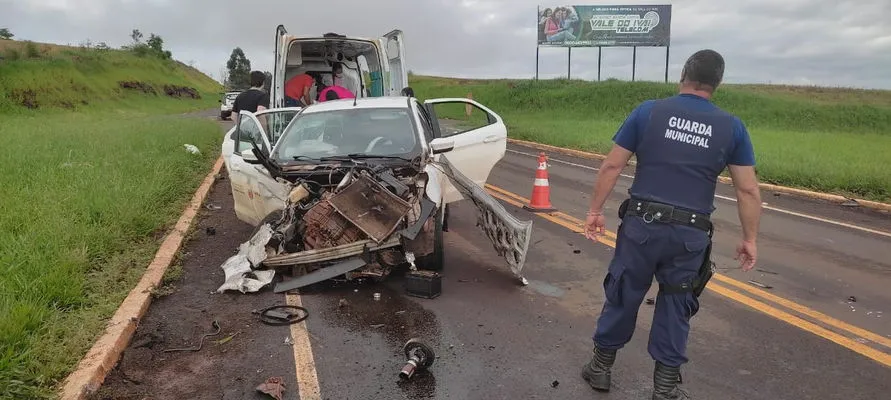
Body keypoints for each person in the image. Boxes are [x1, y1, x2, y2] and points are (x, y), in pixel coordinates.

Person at [580, 49, 761, 399]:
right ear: (717, 83)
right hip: (690, 236)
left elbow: (611, 167)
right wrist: (749, 238)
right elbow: (748, 189)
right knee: (677, 304)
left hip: (642, 227)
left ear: (683, 75)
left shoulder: (649, 112)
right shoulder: (732, 127)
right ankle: (664, 390)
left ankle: (601, 368)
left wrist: (594, 211)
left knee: (623, 292)